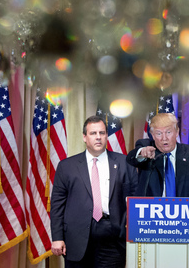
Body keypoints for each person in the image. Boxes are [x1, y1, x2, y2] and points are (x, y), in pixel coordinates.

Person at [50, 115, 137, 268]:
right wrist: (57, 237)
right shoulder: (67, 166)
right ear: (84, 137)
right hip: (76, 238)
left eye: (102, 133)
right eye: (93, 133)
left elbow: (135, 199)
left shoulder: (124, 163)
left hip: (113, 237)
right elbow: (57, 206)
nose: (98, 137)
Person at [126, 112, 189, 198]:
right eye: (159, 133)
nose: (164, 138)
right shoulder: (145, 146)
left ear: (176, 132)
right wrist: (142, 153)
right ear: (153, 135)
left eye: (168, 132)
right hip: (151, 211)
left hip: (183, 211)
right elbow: (131, 158)